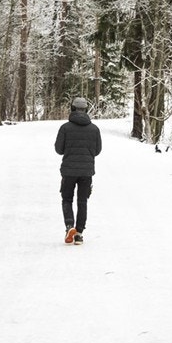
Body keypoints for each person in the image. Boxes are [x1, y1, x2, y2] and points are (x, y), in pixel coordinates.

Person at [55, 96, 102, 245]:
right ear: (86, 109)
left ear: (72, 108)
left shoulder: (65, 128)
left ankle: (69, 226)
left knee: (67, 199)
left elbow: (59, 149)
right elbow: (97, 150)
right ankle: (79, 234)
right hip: (86, 172)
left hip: (68, 171)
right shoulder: (94, 129)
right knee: (83, 201)